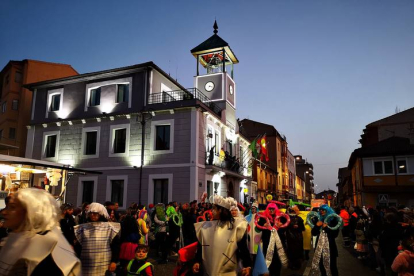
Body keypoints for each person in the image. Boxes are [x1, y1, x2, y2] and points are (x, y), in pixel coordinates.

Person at [0, 188, 80, 275]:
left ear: (31, 212)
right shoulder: (17, 237)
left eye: (12, 207)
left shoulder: (48, 252)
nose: (4, 212)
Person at [193, 195, 252, 276]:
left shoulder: (236, 227)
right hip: (208, 271)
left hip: (228, 272)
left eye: (214, 208)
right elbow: (201, 247)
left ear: (220, 210)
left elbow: (243, 249)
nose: (211, 210)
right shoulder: (205, 227)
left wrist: (247, 265)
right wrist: (197, 261)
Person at [74, 202, 121, 276]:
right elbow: (78, 247)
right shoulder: (82, 228)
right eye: (91, 213)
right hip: (86, 264)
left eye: (95, 213)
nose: (92, 215)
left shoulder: (110, 228)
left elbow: (115, 246)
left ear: (101, 213)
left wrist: (114, 261)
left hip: (104, 262)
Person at [310, 204, 342, 276]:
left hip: (330, 247)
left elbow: (335, 235)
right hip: (319, 247)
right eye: (320, 210)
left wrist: (326, 228)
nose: (321, 211)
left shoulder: (334, 220)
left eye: (323, 210)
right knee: (321, 267)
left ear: (328, 211)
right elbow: (314, 233)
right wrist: (316, 226)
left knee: (332, 267)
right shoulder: (318, 220)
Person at [258, 202, 288, 276]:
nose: (271, 210)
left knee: (277, 260)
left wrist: (280, 226)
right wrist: (263, 225)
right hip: (267, 242)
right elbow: (258, 227)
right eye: (270, 209)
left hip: (278, 242)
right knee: (268, 259)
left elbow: (286, 227)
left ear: (276, 209)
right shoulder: (263, 217)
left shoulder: (281, 217)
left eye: (273, 209)